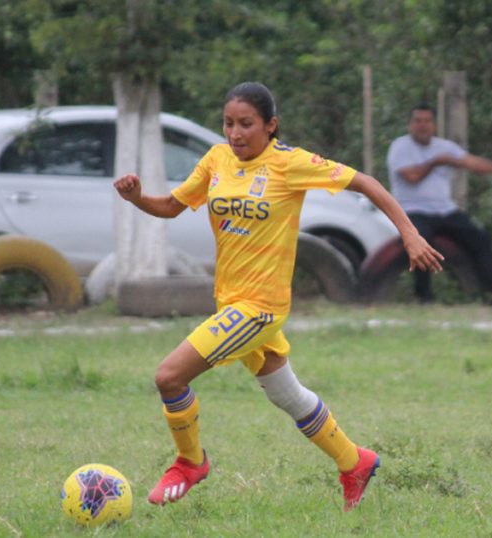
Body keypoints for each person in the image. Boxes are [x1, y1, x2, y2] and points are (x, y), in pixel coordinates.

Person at [113, 82, 443, 511]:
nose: (235, 133)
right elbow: (172, 206)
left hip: (260, 308)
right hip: (229, 302)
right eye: (228, 123)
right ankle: (354, 461)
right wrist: (137, 198)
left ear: (270, 126)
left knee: (169, 377)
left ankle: (190, 462)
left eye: (246, 124)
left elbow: (365, 183)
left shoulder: (290, 164)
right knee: (286, 394)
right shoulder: (216, 160)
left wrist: (410, 234)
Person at [387, 104, 492, 305]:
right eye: (418, 121)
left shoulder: (444, 147)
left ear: (435, 125)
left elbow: (471, 162)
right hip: (413, 210)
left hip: (445, 211)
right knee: (421, 241)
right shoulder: (400, 147)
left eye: (427, 121)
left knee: (480, 238)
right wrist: (435, 162)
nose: (423, 126)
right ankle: (424, 296)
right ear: (410, 125)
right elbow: (412, 177)